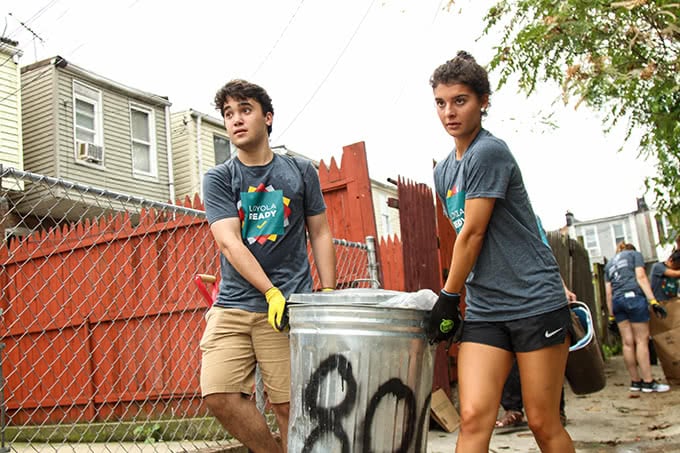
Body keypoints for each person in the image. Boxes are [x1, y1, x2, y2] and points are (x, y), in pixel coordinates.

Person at [428, 51, 575, 452]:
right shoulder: (444, 171)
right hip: (486, 309)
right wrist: (460, 297)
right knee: (474, 418)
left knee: (543, 421)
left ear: (483, 102)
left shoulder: (488, 152)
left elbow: (474, 233)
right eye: (441, 103)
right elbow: (514, 227)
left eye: (460, 101)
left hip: (532, 303)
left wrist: (448, 297)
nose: (449, 112)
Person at [200, 79, 337, 453]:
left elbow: (320, 233)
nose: (236, 120)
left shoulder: (300, 171)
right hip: (233, 304)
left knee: (288, 407)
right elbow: (229, 242)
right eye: (228, 114)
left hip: (289, 309)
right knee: (218, 393)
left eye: (245, 110)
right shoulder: (219, 178)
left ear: (268, 117)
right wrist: (269, 291)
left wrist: (325, 293)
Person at [605, 242, 669, 393]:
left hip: (618, 302)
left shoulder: (609, 266)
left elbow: (608, 292)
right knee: (642, 340)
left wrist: (611, 315)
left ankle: (635, 381)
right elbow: (640, 276)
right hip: (634, 298)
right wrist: (653, 301)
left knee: (627, 343)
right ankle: (648, 382)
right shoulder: (635, 255)